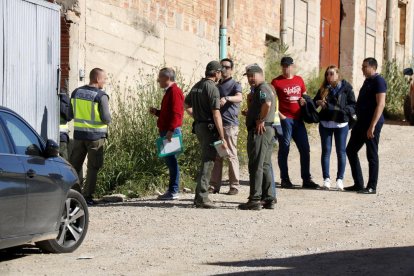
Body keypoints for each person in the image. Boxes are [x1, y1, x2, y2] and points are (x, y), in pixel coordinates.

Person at [185, 61, 228, 209]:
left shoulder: (197, 86)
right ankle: (202, 197)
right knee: (208, 161)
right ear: (216, 73)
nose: (221, 75)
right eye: (220, 72)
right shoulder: (212, 88)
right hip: (209, 128)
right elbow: (216, 114)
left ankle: (200, 196)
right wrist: (222, 136)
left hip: (199, 126)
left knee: (207, 159)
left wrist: (197, 117)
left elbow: (186, 105)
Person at [271, 57, 319, 189]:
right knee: (284, 149)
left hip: (298, 120)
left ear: (293, 66)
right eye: (284, 66)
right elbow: (272, 101)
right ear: (281, 66)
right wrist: (281, 117)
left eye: (288, 65)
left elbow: (305, 96)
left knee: (305, 149)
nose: (286, 68)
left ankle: (306, 179)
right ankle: (285, 179)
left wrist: (304, 102)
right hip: (285, 120)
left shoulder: (299, 80)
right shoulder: (276, 82)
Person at [70, 68, 111, 205]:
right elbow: (106, 118)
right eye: (104, 79)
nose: (105, 82)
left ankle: (72, 194)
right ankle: (87, 197)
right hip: (95, 137)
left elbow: (70, 114)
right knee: (93, 167)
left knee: (75, 165)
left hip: (79, 136)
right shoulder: (101, 95)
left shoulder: (76, 92)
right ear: (98, 79)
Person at [345, 58, 386, 194]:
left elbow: (380, 104)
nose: (362, 69)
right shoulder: (367, 81)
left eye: (364, 67)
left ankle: (372, 186)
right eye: (362, 66)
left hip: (371, 124)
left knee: (371, 154)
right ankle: (359, 183)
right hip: (361, 123)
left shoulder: (379, 81)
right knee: (350, 150)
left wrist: (372, 126)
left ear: (372, 67)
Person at [311, 66, 356, 190]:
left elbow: (353, 105)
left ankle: (340, 180)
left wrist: (343, 111)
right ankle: (326, 179)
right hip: (325, 124)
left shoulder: (347, 88)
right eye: (327, 74)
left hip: (341, 124)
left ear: (337, 75)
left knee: (341, 152)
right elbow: (314, 103)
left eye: (331, 74)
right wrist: (318, 102)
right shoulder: (323, 89)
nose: (328, 76)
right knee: (326, 151)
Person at [239, 64, 276, 210]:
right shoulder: (266, 88)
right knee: (265, 164)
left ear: (260, 74)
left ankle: (255, 199)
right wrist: (251, 111)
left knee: (256, 164)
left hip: (260, 130)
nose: (250, 79)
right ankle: (269, 198)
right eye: (248, 76)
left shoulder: (262, 88)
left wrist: (260, 119)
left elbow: (267, 104)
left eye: (252, 75)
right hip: (267, 129)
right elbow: (264, 104)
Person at [209, 58, 242, 195]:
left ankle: (234, 186)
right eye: (222, 67)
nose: (224, 69)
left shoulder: (235, 84)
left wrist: (227, 98)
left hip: (229, 125)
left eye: (227, 67)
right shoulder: (216, 85)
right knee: (218, 155)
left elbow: (239, 98)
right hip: (218, 125)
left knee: (231, 155)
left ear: (231, 69)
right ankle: (214, 185)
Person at [150, 68, 184, 200]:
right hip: (169, 130)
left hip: (171, 131)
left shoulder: (174, 92)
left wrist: (170, 131)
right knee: (170, 161)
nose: (158, 80)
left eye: (160, 78)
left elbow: (177, 114)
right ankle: (172, 190)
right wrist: (157, 112)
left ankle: (173, 191)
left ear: (167, 78)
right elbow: (169, 113)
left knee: (172, 161)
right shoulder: (170, 92)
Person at [59, 90, 73, 160]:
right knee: (63, 160)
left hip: (58, 135)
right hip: (61, 135)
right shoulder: (63, 98)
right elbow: (69, 116)